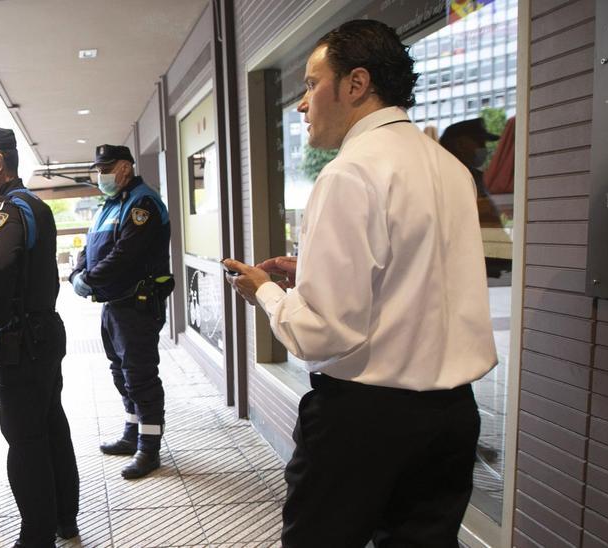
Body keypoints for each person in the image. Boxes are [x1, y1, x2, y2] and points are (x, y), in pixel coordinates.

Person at [222, 20, 496, 547]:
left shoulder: (350, 172)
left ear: (356, 84)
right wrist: (316, 272)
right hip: (454, 416)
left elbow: (323, 332)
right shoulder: (449, 168)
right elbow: (418, 275)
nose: (302, 103)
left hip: (365, 420)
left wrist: (265, 292)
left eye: (310, 83)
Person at [0, 126, 79, 547]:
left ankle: (36, 536)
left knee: (24, 439)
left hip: (21, 338)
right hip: (45, 331)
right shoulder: (35, 206)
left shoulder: (8, 209)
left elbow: (3, 264)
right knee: (51, 424)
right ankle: (65, 518)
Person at [69, 144, 173, 479]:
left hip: (138, 303)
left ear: (126, 167)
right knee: (120, 372)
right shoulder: (111, 205)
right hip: (114, 303)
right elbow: (91, 247)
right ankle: (132, 434)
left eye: (107, 168)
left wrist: (89, 279)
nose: (102, 175)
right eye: (99, 169)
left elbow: (126, 254)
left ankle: (149, 448)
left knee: (140, 375)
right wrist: (78, 274)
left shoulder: (142, 203)